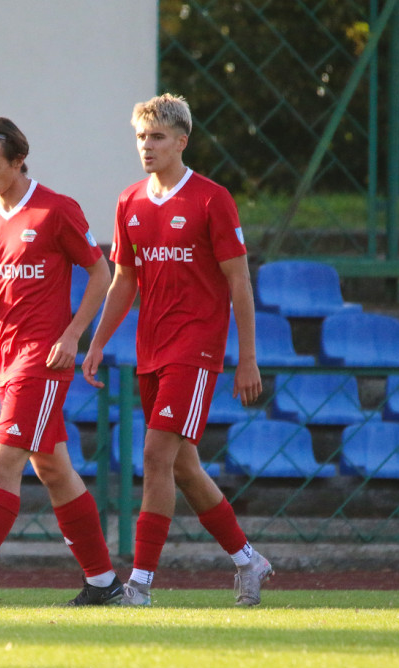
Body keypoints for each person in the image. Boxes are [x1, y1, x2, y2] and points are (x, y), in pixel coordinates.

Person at [0, 117, 123, 606]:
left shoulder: (56, 210)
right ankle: (103, 584)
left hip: (44, 357)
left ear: (17, 160)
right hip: (2, 358)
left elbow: (102, 272)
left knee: (3, 460)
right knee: (53, 470)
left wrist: (74, 335)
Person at [82, 93, 274, 607]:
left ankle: (140, 585)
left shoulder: (212, 199)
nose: (147, 146)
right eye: (142, 137)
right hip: (152, 347)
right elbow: (124, 280)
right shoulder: (130, 201)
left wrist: (247, 357)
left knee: (154, 454)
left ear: (181, 141)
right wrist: (97, 342)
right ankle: (247, 560)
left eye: (158, 137)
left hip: (196, 347)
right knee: (184, 465)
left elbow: (239, 283)